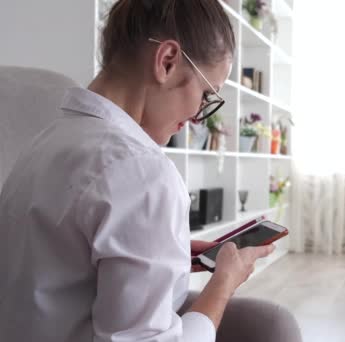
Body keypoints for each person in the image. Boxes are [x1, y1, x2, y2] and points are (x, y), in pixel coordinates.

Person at [0, 1, 301, 341]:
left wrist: (162, 251)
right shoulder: (143, 173)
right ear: (167, 61)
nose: (198, 116)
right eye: (205, 95)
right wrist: (223, 284)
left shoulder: (44, 142)